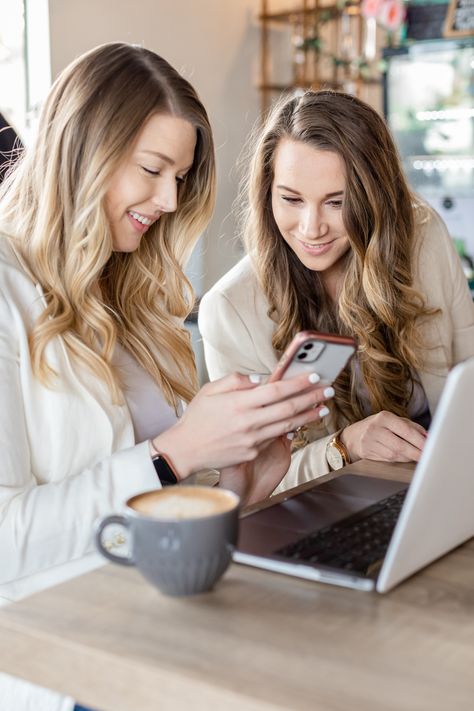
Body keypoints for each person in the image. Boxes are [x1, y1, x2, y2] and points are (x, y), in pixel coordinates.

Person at [0, 44, 332, 603]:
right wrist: (175, 452)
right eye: (153, 169)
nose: (171, 200)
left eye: (179, 176)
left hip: (162, 612)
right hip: (58, 653)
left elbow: (158, 513)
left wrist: (238, 486)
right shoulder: (8, 289)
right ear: (83, 152)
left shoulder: (126, 297)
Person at [199, 89, 474, 494]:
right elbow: (254, 483)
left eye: (336, 202)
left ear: (372, 198)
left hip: (440, 483)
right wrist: (345, 446)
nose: (311, 229)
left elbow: (467, 379)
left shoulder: (424, 237)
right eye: (291, 199)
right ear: (266, 194)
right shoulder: (230, 309)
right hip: (319, 509)